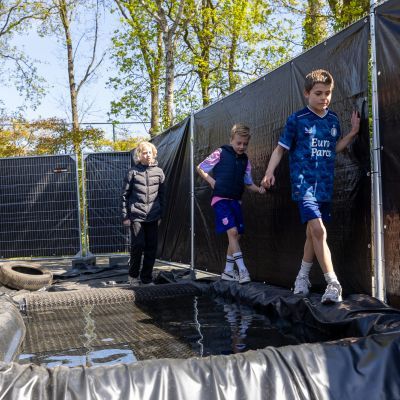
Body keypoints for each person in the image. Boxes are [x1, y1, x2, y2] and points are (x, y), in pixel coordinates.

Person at [262, 69, 360, 304]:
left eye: (327, 93)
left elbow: (334, 149)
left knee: (311, 233)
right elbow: (280, 149)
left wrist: (353, 133)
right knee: (319, 230)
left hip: (324, 186)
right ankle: (333, 283)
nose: (324, 97)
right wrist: (269, 172)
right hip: (303, 185)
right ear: (307, 93)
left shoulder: (333, 119)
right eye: (318, 93)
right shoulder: (297, 120)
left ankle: (302, 277)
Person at [197, 123, 266, 284]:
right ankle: (242, 270)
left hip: (235, 201)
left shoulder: (245, 160)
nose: (241, 147)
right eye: (238, 143)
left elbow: (248, 183)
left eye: (245, 144)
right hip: (220, 200)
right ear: (231, 140)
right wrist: (212, 181)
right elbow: (201, 167)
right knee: (233, 233)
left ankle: (228, 271)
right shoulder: (221, 152)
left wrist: (259, 189)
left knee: (236, 235)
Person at [122, 141, 165, 286]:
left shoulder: (159, 172)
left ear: (154, 154)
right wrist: (125, 216)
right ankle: (133, 276)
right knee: (138, 246)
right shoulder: (132, 172)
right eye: (144, 153)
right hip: (136, 216)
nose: (148, 155)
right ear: (139, 155)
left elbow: (163, 196)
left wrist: (161, 215)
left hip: (153, 216)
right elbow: (124, 196)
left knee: (151, 248)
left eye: (150, 152)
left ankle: (146, 278)